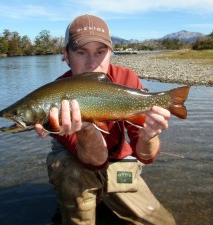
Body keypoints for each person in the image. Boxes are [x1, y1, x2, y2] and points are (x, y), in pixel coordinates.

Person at [35, 14, 176, 225]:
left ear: (110, 52)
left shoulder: (126, 79)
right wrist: (85, 128)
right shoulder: (56, 95)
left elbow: (146, 156)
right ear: (66, 54)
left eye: (100, 52)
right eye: (81, 52)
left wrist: (149, 135)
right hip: (79, 159)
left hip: (118, 157)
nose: (92, 63)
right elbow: (95, 160)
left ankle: (105, 195)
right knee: (71, 170)